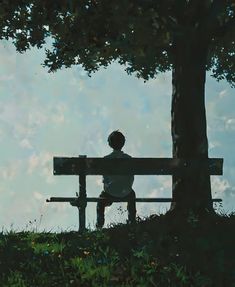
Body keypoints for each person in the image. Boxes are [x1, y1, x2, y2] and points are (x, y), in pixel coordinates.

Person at [96, 130, 136, 228]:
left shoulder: (105, 159)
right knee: (132, 194)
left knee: (100, 200)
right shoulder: (129, 159)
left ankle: (99, 225)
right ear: (123, 143)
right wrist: (127, 187)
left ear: (110, 144)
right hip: (126, 191)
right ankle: (132, 222)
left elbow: (105, 179)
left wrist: (107, 188)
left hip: (110, 191)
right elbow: (131, 177)